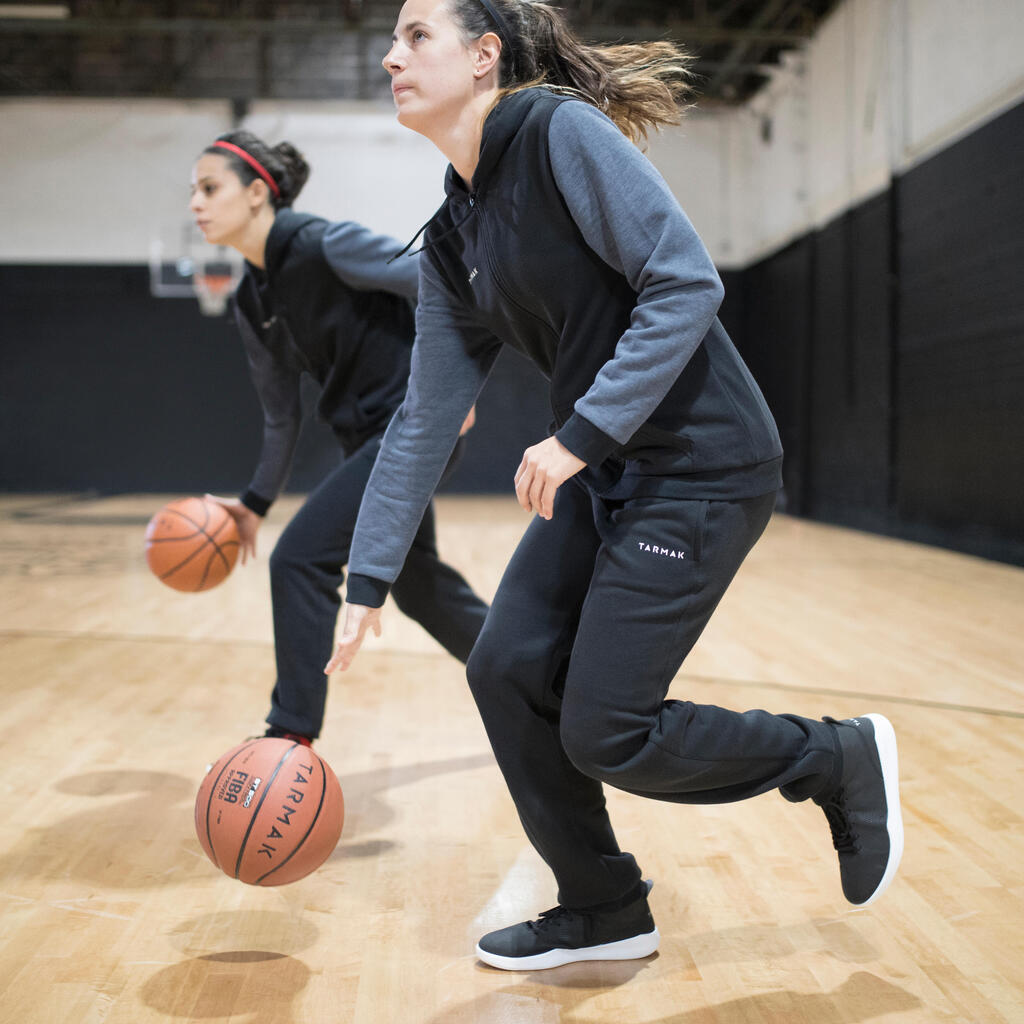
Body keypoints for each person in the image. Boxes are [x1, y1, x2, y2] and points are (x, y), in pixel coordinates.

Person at [324, 0, 904, 971]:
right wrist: (366, 577)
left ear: (482, 57)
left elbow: (683, 282)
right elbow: (423, 418)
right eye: (391, 38)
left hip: (700, 467)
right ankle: (601, 907)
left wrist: (577, 436)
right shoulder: (452, 235)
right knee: (503, 666)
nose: (390, 56)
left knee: (607, 729)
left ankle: (829, 755)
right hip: (613, 470)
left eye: (415, 34)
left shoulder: (559, 134)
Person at [189, 129, 488, 745]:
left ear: (255, 194)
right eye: (192, 190)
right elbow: (280, 416)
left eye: (209, 188)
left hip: (412, 430)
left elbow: (444, 280)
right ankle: (540, 682)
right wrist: (253, 504)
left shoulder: (326, 244)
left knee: (300, 559)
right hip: (369, 440)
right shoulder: (252, 298)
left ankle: (288, 734)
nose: (195, 202)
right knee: (419, 585)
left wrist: (449, 390)